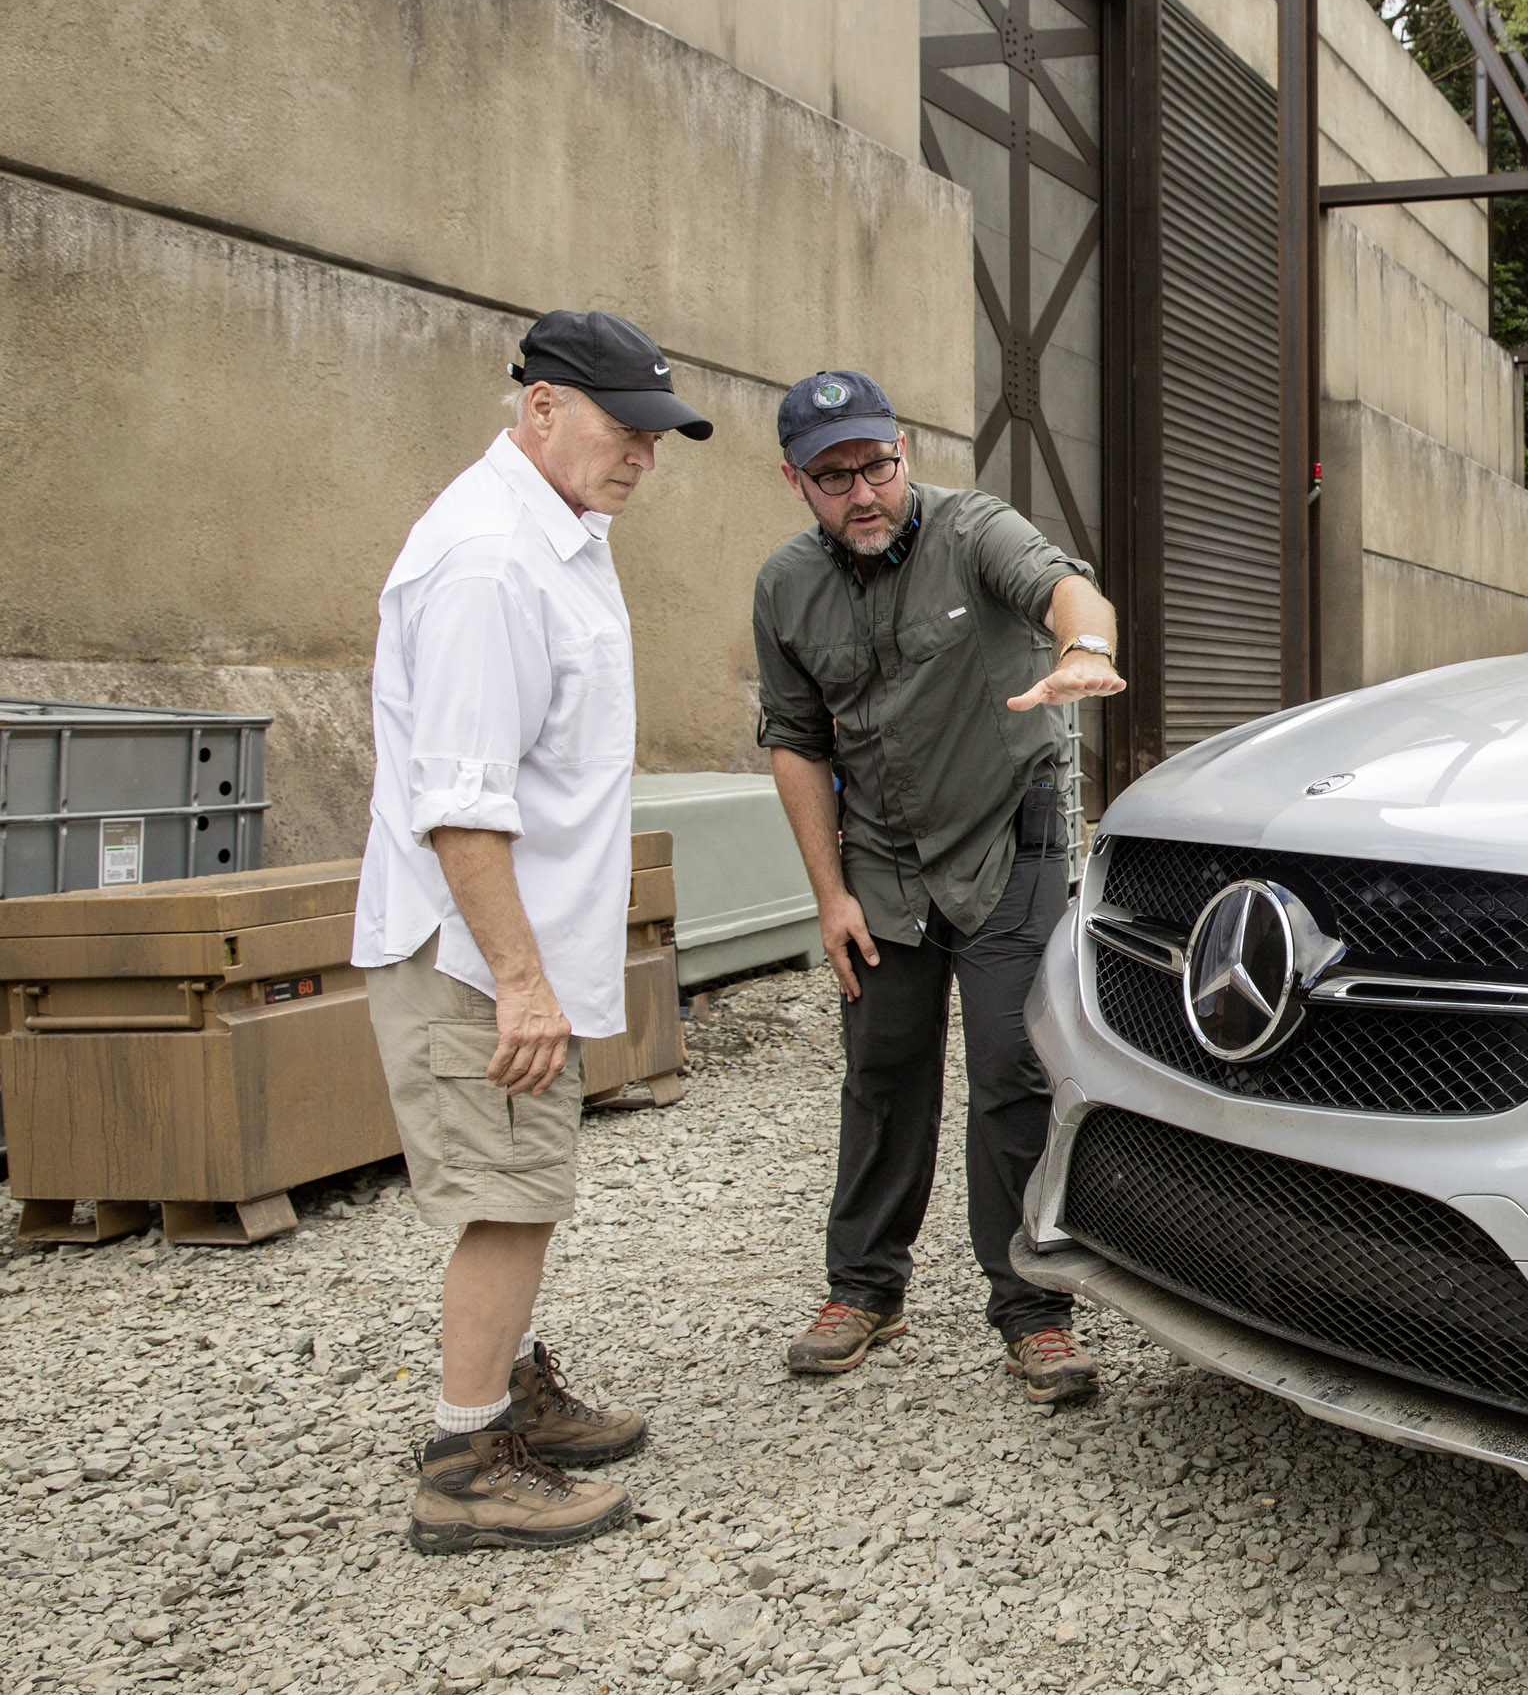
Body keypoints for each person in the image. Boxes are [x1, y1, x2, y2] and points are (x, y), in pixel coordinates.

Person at [355, 309, 711, 1553]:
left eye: (658, 438)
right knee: (507, 1193)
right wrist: (518, 978)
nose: (645, 458)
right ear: (544, 406)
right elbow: (459, 800)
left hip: (514, 941)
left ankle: (506, 1396)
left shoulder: (557, 527)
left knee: (528, 1181)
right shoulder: (489, 561)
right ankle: (463, 1460)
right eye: (627, 430)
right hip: (472, 950)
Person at [753, 370, 1127, 1401]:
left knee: (1012, 1070)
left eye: (876, 463)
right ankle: (865, 1287)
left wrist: (1085, 644)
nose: (863, 490)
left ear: (903, 448)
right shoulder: (786, 588)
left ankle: (1033, 1309)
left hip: (1009, 844)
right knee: (882, 1069)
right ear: (796, 481)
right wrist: (829, 893)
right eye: (834, 476)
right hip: (880, 861)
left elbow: (1063, 586)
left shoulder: (975, 532)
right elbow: (793, 741)